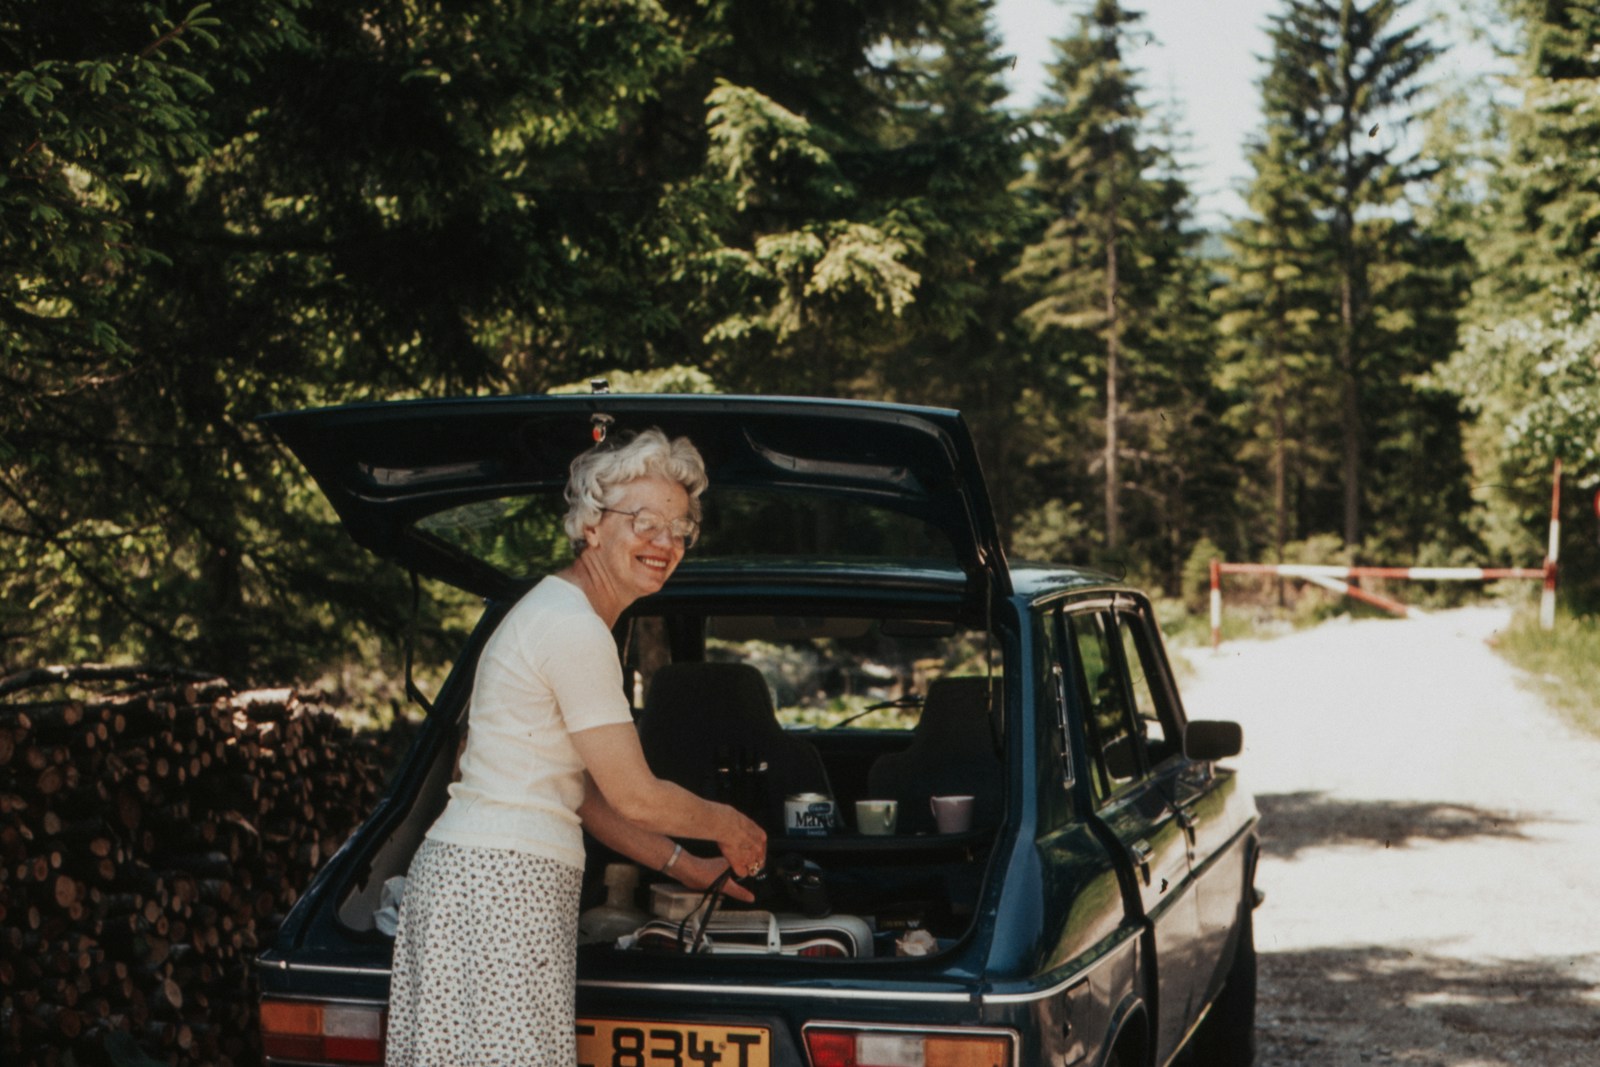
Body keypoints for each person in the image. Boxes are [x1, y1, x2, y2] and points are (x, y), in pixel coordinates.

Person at [386, 429, 768, 1067]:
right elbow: (636, 796)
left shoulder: (561, 613)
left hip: (481, 883)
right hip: (499, 888)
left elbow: (585, 797)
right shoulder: (572, 627)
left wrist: (685, 866)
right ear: (591, 525)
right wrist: (728, 825)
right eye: (645, 521)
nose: (665, 542)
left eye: (680, 529)